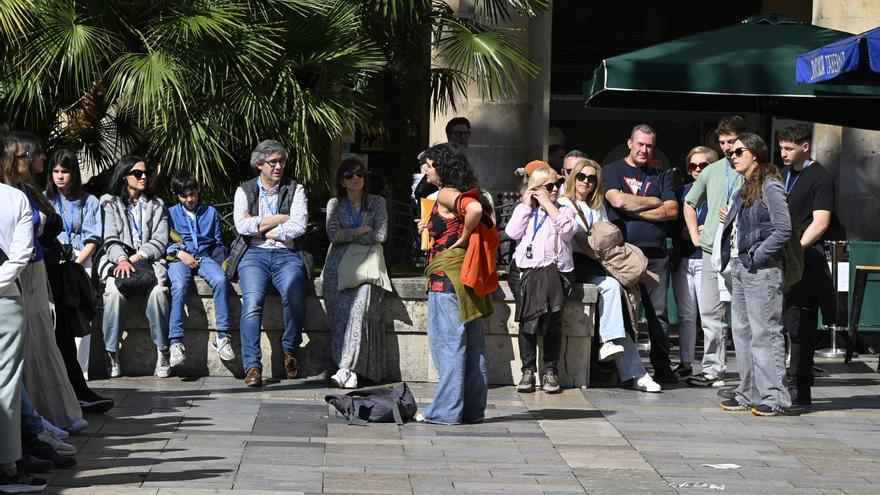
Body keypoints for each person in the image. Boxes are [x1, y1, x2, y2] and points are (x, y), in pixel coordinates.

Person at [2, 134, 86, 434]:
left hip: (35, 269)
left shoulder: (27, 191)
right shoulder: (11, 195)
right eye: (24, 156)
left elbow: (51, 222)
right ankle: (39, 422)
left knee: (43, 342)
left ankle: (58, 414)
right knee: (28, 348)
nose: (31, 160)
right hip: (17, 274)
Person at [559, 158, 661, 393]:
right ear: (573, 177)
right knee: (613, 288)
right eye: (581, 176)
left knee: (623, 299)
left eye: (592, 178)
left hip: (599, 264)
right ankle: (629, 365)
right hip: (576, 265)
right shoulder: (563, 203)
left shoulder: (597, 206)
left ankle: (632, 367)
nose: (586, 181)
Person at [417, 143, 493, 423]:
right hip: (467, 277)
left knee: (448, 347)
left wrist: (460, 239)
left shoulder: (448, 192)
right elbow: (471, 211)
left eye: (429, 164)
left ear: (442, 167)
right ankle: (472, 410)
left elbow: (472, 210)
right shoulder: (469, 190)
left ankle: (445, 412)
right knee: (473, 349)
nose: (424, 170)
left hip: (446, 280)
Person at [718, 133, 792, 416]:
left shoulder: (770, 185)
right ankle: (746, 392)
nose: (732, 156)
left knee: (765, 333)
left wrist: (756, 255)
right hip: (740, 267)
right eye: (731, 153)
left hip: (760, 268)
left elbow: (783, 229)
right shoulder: (744, 187)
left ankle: (775, 397)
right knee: (742, 333)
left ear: (755, 154)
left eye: (738, 151)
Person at [229, 140, 309, 387]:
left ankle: (289, 348)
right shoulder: (244, 191)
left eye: (281, 161)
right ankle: (252, 366)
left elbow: (299, 226)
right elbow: (241, 226)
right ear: (259, 164)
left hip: (286, 255)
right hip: (254, 255)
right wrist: (280, 219)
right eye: (273, 162)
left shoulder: (296, 189)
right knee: (252, 302)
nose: (278, 166)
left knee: (296, 295)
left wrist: (262, 228)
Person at [603, 124, 678, 383]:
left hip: (656, 255)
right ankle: (625, 369)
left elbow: (671, 211)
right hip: (622, 255)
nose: (644, 149)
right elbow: (617, 201)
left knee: (658, 315)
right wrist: (653, 201)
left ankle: (662, 365)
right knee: (624, 313)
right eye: (640, 144)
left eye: (649, 145)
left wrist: (635, 208)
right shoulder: (612, 171)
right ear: (630, 143)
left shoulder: (661, 174)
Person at [43, 149, 113, 412]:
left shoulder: (89, 201)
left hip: (78, 264)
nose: (60, 177)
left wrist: (75, 263)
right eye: (56, 171)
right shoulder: (45, 199)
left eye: (65, 171)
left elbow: (93, 239)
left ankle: (81, 380)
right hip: (52, 267)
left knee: (78, 320)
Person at [684, 116, 746, 388]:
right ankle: (713, 369)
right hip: (712, 249)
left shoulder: (753, 169)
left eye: (731, 141)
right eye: (722, 142)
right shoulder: (711, 170)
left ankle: (749, 372)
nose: (726, 147)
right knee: (710, 312)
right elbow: (689, 202)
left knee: (745, 314)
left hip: (743, 250)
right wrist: (697, 236)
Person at [778, 122, 836, 406]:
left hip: (804, 261)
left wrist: (795, 251)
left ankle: (800, 385)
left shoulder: (820, 177)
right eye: (781, 148)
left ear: (805, 146)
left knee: (801, 324)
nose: (784, 154)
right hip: (782, 260)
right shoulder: (782, 174)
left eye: (789, 149)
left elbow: (820, 222)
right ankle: (776, 382)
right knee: (779, 323)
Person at [97, 156, 171, 378]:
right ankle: (111, 351)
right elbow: (109, 237)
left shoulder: (157, 205)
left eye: (146, 172)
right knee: (112, 293)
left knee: (159, 292)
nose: (144, 177)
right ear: (124, 176)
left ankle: (163, 350)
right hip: (117, 262)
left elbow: (161, 239)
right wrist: (122, 259)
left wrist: (138, 256)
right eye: (138, 173)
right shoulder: (108, 202)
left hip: (148, 261)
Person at [505, 164, 576, 394]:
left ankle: (550, 370)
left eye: (557, 184)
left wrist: (548, 204)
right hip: (526, 271)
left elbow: (567, 231)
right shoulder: (524, 209)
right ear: (536, 188)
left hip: (557, 271)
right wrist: (527, 205)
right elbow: (512, 233)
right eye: (549, 186)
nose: (555, 188)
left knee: (553, 322)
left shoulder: (565, 208)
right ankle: (527, 371)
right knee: (527, 320)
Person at [0, 147, 46, 493]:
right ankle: (8, 468)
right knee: (6, 387)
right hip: (6, 300)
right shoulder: (16, 199)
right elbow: (20, 258)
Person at [322, 158, 389, 389]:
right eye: (349, 175)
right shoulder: (335, 204)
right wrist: (361, 230)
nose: (355, 178)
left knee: (359, 313)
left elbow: (381, 235)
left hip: (368, 266)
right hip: (338, 267)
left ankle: (346, 368)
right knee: (341, 318)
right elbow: (334, 236)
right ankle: (347, 369)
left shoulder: (377, 203)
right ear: (342, 181)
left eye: (359, 173)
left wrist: (347, 233)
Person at [165, 170, 233, 369]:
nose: (189, 199)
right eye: (184, 196)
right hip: (180, 256)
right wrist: (179, 253)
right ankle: (175, 341)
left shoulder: (210, 212)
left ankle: (222, 336)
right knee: (178, 284)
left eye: (192, 194)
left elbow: (218, 242)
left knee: (220, 280)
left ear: (198, 190)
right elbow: (164, 242)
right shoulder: (170, 214)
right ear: (177, 196)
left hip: (204, 256)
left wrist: (218, 261)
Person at [670, 146, 717, 378]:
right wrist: (683, 231)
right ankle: (686, 362)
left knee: (709, 315)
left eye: (703, 165)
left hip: (707, 259)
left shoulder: (719, 191)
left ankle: (712, 366)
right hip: (683, 259)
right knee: (686, 314)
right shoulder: (681, 192)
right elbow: (670, 224)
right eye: (693, 166)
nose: (697, 169)